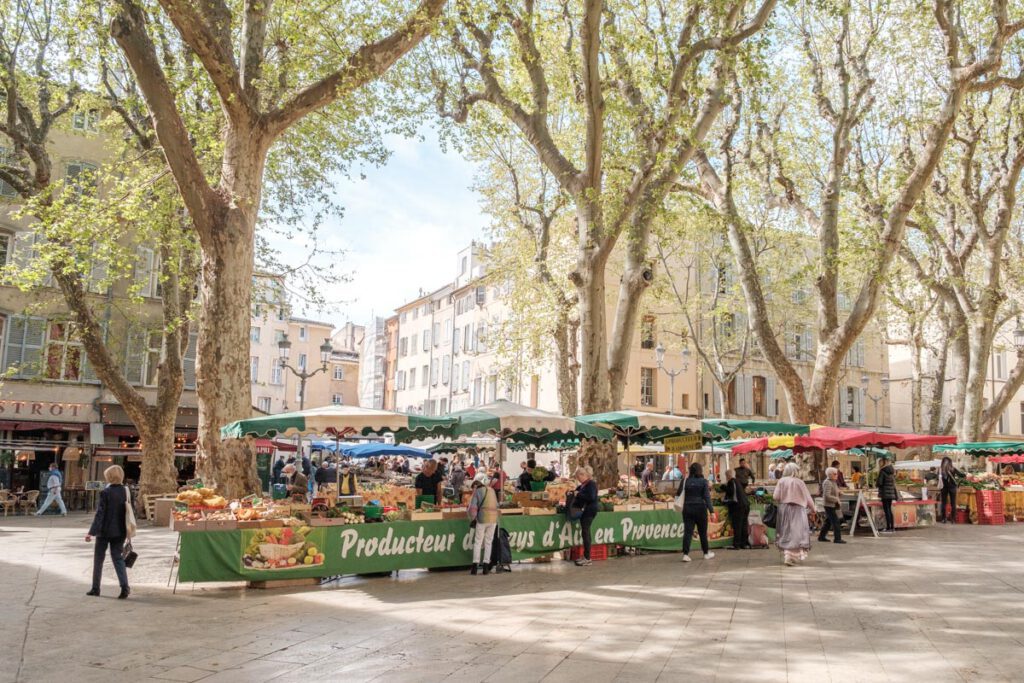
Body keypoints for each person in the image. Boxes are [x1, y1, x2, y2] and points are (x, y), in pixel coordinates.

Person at [85, 465, 130, 599]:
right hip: (121, 530)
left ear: (109, 477)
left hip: (104, 531)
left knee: (98, 559)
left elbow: (100, 514)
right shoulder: (126, 491)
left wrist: (91, 532)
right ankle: (124, 587)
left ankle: (96, 588)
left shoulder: (105, 492)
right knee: (118, 558)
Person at [773, 462, 816, 566]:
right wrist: (813, 508)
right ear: (795, 471)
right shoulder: (800, 482)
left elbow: (775, 497)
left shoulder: (781, 481)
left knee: (786, 531)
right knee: (798, 532)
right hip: (798, 509)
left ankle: (788, 555)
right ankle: (791, 555)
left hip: (784, 509)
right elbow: (808, 497)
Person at [677, 462, 715, 562]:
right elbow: (707, 497)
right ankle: (706, 553)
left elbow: (678, 494)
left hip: (687, 508)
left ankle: (685, 554)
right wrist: (711, 511)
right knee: (702, 532)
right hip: (700, 508)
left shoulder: (685, 481)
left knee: (688, 532)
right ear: (700, 470)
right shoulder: (703, 482)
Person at [467, 473, 498, 575]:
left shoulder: (477, 492)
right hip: (493, 519)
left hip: (482, 519)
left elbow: (472, 508)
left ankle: (475, 566)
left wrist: (472, 518)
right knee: (488, 542)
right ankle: (485, 566)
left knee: (478, 542)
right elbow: (496, 505)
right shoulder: (492, 490)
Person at [571, 467, 600, 566]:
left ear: (584, 475)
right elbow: (576, 491)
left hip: (589, 511)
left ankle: (587, 558)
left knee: (586, 532)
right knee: (585, 532)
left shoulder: (591, 484)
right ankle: (585, 556)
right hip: (585, 511)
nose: (578, 479)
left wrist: (578, 494)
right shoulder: (583, 485)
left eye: (579, 477)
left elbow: (591, 497)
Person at [818, 467, 846, 544]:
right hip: (829, 505)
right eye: (835, 474)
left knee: (828, 521)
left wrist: (839, 492)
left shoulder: (833, 481)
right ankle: (837, 539)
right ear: (830, 474)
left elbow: (834, 490)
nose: (837, 475)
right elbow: (827, 495)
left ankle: (821, 537)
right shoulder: (828, 482)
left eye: (837, 473)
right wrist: (836, 499)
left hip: (831, 505)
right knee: (835, 521)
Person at [724, 469, 750, 550]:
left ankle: (737, 544)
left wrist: (723, 488)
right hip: (745, 505)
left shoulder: (731, 482)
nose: (726, 477)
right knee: (744, 525)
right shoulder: (738, 481)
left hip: (738, 506)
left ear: (728, 475)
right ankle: (744, 544)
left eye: (726, 476)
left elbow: (731, 492)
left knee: (737, 525)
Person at [937, 456, 964, 523]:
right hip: (952, 487)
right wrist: (960, 480)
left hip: (943, 488)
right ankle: (953, 519)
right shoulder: (953, 469)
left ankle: (943, 519)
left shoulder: (940, 470)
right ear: (950, 462)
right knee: (953, 503)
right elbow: (961, 475)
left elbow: (937, 478)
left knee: (943, 503)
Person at [877, 458, 898, 533]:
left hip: (885, 493)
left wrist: (876, 482)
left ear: (883, 463)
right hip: (890, 493)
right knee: (889, 510)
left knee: (887, 510)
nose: (879, 464)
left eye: (880, 462)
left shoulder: (882, 471)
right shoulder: (891, 471)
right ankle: (892, 527)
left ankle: (889, 528)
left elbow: (880, 483)